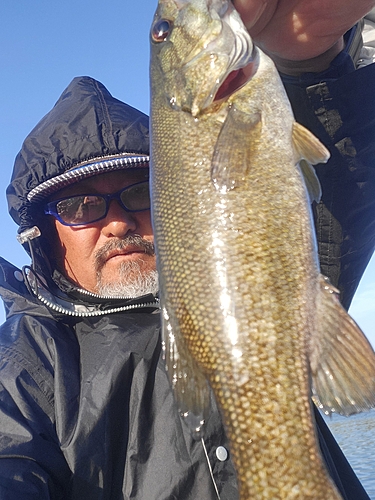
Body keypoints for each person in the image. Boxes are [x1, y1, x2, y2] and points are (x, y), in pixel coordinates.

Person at [0, 2, 374, 499]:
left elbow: (341, 194)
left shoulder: (247, 265)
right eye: (81, 205)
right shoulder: (23, 370)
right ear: (45, 238)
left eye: (137, 193)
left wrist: (314, 65)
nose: (115, 221)